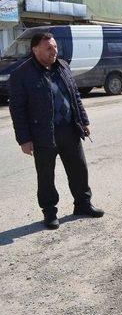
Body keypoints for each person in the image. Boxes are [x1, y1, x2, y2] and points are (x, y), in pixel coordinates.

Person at [9, 32, 104, 230]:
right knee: (46, 176)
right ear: (35, 50)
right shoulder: (21, 74)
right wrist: (24, 139)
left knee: (79, 169)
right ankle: (50, 212)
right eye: (49, 48)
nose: (54, 52)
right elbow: (17, 110)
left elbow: (75, 95)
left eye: (55, 47)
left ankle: (83, 204)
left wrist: (83, 121)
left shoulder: (62, 66)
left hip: (70, 129)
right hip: (43, 134)